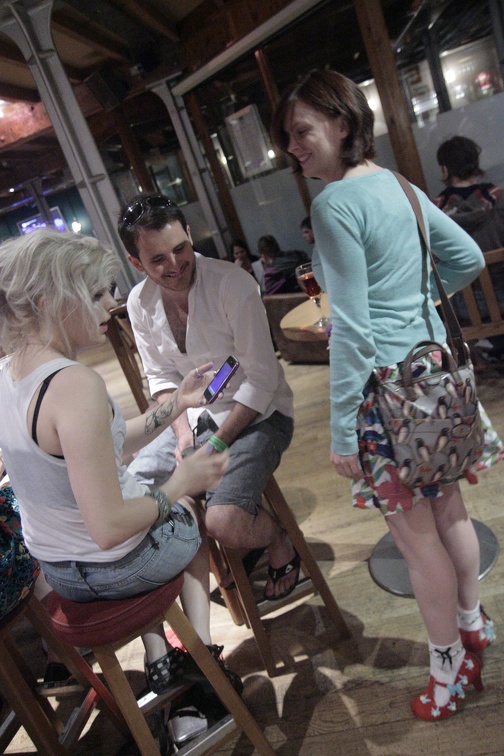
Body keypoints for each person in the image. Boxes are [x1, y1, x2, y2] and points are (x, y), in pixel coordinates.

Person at [272, 69, 502, 721]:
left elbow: (353, 329)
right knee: (451, 514)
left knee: (417, 543)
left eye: (301, 131)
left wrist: (343, 432)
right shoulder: (400, 186)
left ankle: (447, 671)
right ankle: (472, 626)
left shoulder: (334, 205)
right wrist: (415, 303)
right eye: (287, 136)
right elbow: (467, 260)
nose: (292, 146)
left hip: (388, 400)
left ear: (342, 123)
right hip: (438, 381)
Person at [0, 229, 240, 703]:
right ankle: (200, 653)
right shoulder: (74, 384)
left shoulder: (9, 372)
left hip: (61, 573)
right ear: (50, 302)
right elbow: (109, 528)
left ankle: (160, 658)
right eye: (95, 294)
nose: (111, 304)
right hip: (114, 567)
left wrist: (177, 403)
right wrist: (182, 482)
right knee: (189, 513)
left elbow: (97, 443)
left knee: (150, 493)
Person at [117, 196, 297, 601]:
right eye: (158, 259)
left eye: (180, 248)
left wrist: (213, 444)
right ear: (135, 263)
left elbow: (262, 379)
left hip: (258, 413)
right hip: (190, 419)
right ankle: (210, 560)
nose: (175, 264)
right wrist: (184, 439)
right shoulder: (139, 303)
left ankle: (274, 536)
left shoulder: (232, 284)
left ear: (188, 234)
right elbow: (161, 378)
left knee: (225, 522)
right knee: (134, 493)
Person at [434, 135, 504, 357]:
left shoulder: (434, 212)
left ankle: (487, 345)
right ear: (475, 165)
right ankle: (494, 344)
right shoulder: (499, 200)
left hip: (462, 309)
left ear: (445, 170)